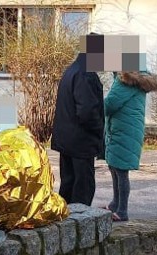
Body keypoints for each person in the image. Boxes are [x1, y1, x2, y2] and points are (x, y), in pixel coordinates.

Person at [51, 46, 105, 206]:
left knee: (68, 184)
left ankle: (65, 223)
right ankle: (79, 225)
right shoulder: (85, 74)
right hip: (81, 141)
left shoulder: (72, 70)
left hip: (67, 138)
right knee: (82, 188)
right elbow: (87, 111)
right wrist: (98, 130)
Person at [103, 71, 157, 222]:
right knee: (115, 167)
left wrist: (94, 103)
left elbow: (109, 105)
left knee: (120, 170)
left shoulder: (125, 81)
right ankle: (115, 203)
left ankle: (122, 211)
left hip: (124, 131)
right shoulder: (131, 79)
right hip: (123, 129)